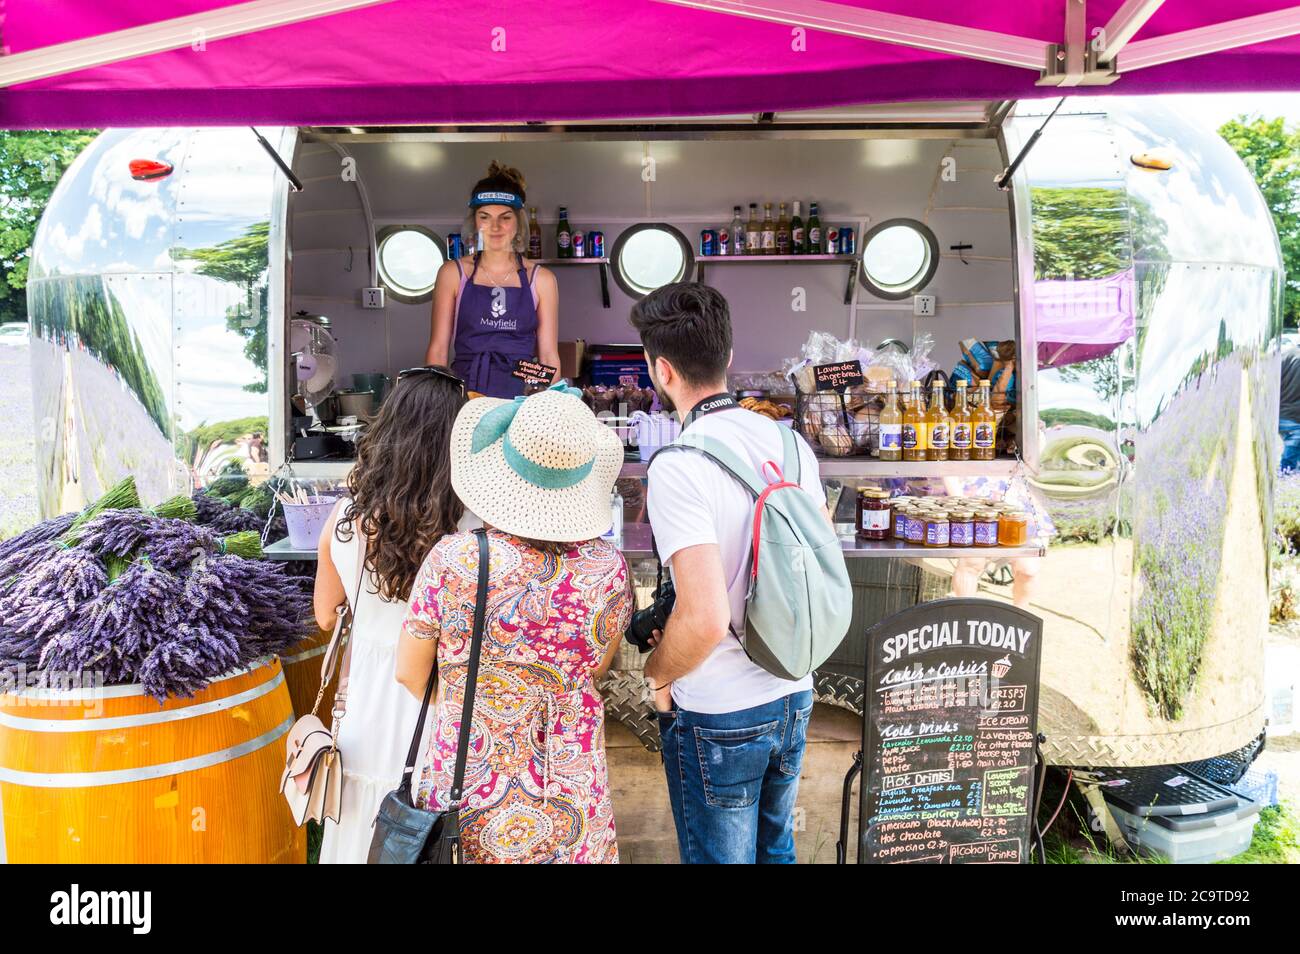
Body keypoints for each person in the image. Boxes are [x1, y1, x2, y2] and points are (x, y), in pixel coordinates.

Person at [630, 282, 829, 864]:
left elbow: (707, 618)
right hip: (793, 690)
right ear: (729, 357)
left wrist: (658, 676)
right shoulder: (792, 445)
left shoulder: (680, 466)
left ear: (661, 371)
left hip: (719, 708)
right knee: (777, 853)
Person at [396, 381, 632, 863]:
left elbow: (409, 672)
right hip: (572, 789)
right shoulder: (609, 568)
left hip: (472, 790)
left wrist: (479, 702)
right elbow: (598, 664)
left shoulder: (455, 559)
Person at [312, 365, 474, 864]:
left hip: (366, 705)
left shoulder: (344, 520)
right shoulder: (470, 525)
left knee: (363, 833)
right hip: (437, 699)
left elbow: (325, 615)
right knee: (424, 833)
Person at [425, 160, 560, 398]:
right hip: (465, 394)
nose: (495, 227)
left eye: (505, 217)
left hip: (522, 398)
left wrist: (546, 408)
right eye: (485, 217)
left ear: (519, 222)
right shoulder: (453, 274)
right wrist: (437, 408)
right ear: (475, 221)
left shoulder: (541, 279)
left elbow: (549, 356)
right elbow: (438, 351)